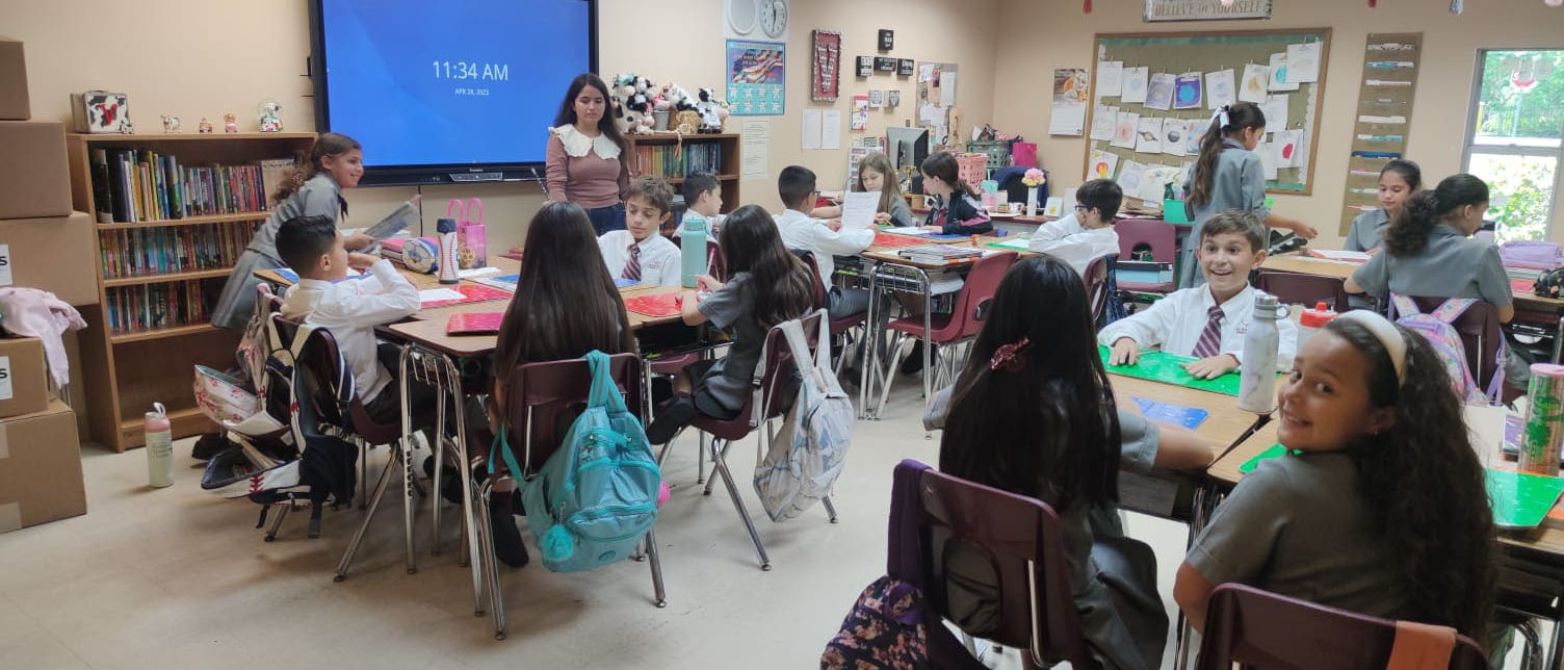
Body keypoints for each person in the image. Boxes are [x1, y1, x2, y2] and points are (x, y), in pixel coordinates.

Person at [925, 255, 1215, 669]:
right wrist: (1121, 408)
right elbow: (1200, 452)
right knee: (1135, 555)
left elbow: (930, 412)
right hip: (1056, 607)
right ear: (1077, 328)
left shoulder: (974, 381)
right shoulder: (1082, 411)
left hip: (966, 590)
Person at [1173, 311, 1496, 645]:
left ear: (1379, 417)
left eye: (1324, 388)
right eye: (1296, 374)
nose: (1293, 394)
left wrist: (1256, 656)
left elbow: (1191, 593)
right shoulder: (1433, 491)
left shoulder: (1278, 485)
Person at [490, 201, 637, 566]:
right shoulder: (612, 307)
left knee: (472, 400)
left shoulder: (524, 312)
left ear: (534, 252)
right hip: (600, 447)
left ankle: (499, 499)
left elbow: (503, 391)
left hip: (532, 449)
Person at [645, 205, 817, 444]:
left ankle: (682, 403)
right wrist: (720, 289)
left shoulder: (743, 286)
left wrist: (688, 296)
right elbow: (751, 298)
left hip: (739, 392)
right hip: (782, 387)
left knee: (685, 373)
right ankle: (681, 406)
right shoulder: (800, 270)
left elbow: (690, 317)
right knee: (706, 367)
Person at [1343, 174, 1526, 389]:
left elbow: (1350, 286)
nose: (1481, 220)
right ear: (1468, 211)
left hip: (1405, 361)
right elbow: (1505, 315)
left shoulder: (1398, 246)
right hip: (1467, 370)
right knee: (1527, 368)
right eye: (1482, 212)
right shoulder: (1481, 252)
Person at [211, 132, 398, 331]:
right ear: (327, 162)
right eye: (352, 161)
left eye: (361, 162)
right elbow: (315, 240)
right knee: (256, 342)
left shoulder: (322, 186)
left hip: (273, 265)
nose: (360, 169)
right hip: (269, 267)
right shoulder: (323, 189)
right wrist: (351, 242)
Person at [1101, 211, 1298, 380]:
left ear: (1257, 259)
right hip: (1176, 398)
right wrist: (1125, 338)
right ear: (1199, 255)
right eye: (1211, 249)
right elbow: (1121, 328)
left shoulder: (1267, 310)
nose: (1220, 260)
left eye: (1233, 250)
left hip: (1231, 408)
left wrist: (1232, 360)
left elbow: (1290, 352)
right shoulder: (1180, 303)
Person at [274, 214, 420, 426]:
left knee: (401, 358)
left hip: (333, 400)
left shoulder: (294, 294)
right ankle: (468, 452)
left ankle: (445, 454)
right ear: (325, 262)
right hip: (372, 404)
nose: (348, 253)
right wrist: (376, 262)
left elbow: (345, 291)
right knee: (449, 383)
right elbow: (409, 300)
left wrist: (386, 277)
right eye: (342, 248)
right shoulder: (340, 305)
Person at [1179, 102, 1316, 288]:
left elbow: (1188, 208)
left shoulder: (1202, 160)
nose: (1257, 142)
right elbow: (1257, 213)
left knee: (1193, 306)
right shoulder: (1248, 161)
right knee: (1223, 306)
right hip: (1228, 251)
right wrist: (1294, 224)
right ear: (1247, 132)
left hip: (1199, 247)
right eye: (1259, 137)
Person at [773, 165, 874, 319]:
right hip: (822, 303)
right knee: (879, 300)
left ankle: (836, 340)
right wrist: (871, 231)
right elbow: (853, 244)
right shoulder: (814, 231)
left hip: (788, 302)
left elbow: (801, 227)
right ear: (809, 198)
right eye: (815, 193)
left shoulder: (775, 223)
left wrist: (823, 225)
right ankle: (871, 344)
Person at [546, 73, 634, 235]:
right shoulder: (560, 136)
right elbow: (556, 186)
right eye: (585, 101)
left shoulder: (616, 138)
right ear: (573, 105)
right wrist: (565, 221)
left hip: (616, 216)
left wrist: (635, 213)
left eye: (598, 101)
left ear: (606, 105)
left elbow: (625, 185)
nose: (592, 107)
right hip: (577, 218)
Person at [1028, 178, 1123, 276]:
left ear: (1094, 212)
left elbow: (1036, 242)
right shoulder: (1113, 237)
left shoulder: (1081, 242)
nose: (1078, 212)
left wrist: (1073, 219)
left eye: (1080, 208)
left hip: (1069, 290)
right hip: (1090, 290)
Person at [598, 176, 680, 286]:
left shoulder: (671, 255)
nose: (637, 220)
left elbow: (671, 298)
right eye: (632, 211)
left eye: (648, 214)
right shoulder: (607, 242)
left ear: (663, 217)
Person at [812, 152, 916, 227]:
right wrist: (807, 212)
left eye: (874, 178)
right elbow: (835, 210)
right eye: (864, 179)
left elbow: (909, 233)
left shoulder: (897, 204)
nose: (869, 183)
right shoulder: (863, 199)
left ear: (887, 176)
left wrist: (891, 220)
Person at [1344, 159, 1421, 254]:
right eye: (1383, 189)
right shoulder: (1361, 222)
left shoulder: (1423, 224)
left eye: (1396, 190)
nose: (1387, 195)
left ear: (1413, 191)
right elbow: (1347, 259)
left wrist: (1389, 256)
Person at [919, 152, 993, 235]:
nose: (923, 182)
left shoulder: (964, 201)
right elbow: (930, 227)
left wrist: (947, 229)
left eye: (925, 178)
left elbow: (986, 222)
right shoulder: (940, 202)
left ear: (936, 180)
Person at [674, 171, 725, 237]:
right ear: (705, 196)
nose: (721, 202)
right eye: (718, 196)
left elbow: (718, 219)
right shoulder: (695, 233)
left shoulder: (698, 216)